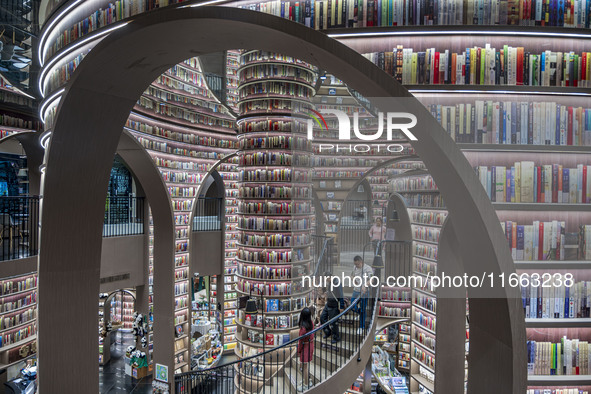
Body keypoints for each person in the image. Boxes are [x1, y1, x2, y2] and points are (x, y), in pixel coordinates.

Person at [350, 256, 373, 333]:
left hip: (364, 291)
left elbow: (372, 279)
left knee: (363, 308)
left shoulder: (368, 268)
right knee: (352, 305)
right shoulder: (354, 267)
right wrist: (354, 280)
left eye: (358, 264)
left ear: (361, 262)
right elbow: (351, 275)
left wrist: (365, 285)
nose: (356, 266)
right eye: (355, 264)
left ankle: (361, 326)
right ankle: (360, 313)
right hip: (356, 290)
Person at [320, 272, 343, 343]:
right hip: (328, 304)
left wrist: (341, 306)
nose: (326, 281)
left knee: (333, 323)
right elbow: (331, 291)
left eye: (326, 279)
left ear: (329, 277)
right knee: (322, 318)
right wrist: (327, 293)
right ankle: (328, 332)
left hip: (334, 305)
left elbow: (341, 295)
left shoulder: (337, 282)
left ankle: (336, 337)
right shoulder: (330, 282)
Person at [297, 307, 314, 390]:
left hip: (305, 347)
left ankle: (306, 384)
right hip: (310, 345)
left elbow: (300, 341)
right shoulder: (311, 323)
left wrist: (299, 350)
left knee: (305, 366)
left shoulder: (303, 329)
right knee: (305, 366)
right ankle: (307, 380)